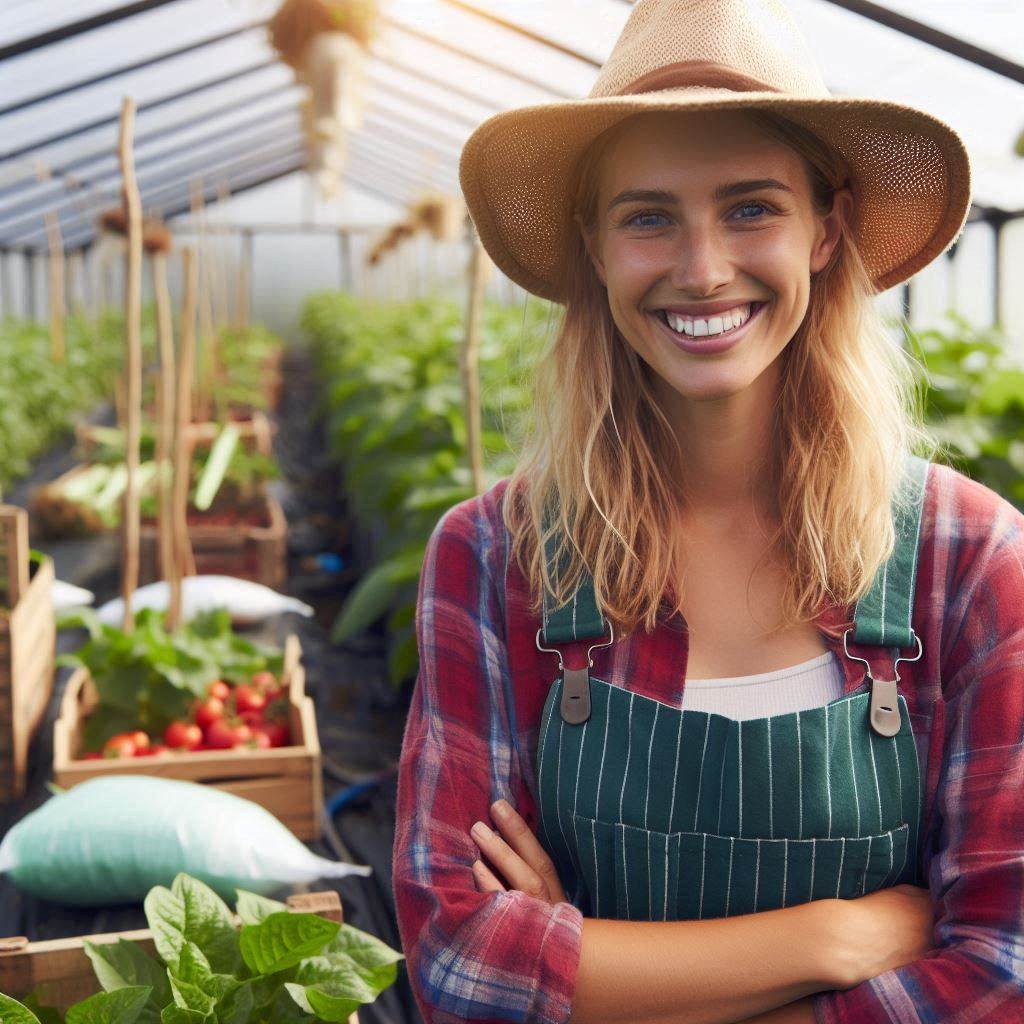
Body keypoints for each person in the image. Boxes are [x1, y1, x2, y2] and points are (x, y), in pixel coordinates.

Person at [392, 0, 1024, 1021]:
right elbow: (460, 964)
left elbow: (1003, 968)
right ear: (594, 249)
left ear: (826, 229)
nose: (701, 269)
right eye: (647, 216)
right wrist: (836, 936)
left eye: (750, 208)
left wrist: (592, 968)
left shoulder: (969, 557)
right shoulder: (497, 555)